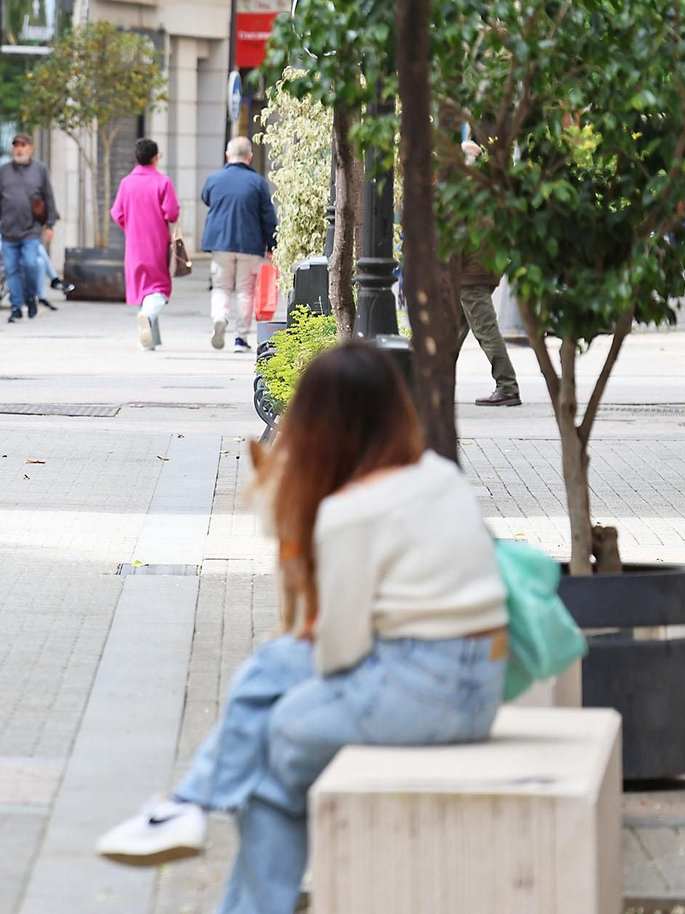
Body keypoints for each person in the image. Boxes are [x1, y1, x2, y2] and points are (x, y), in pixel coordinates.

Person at [96, 342, 509, 914]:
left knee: (278, 737)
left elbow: (341, 652)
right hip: (482, 676)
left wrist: (313, 644)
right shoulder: (439, 473)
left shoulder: (351, 511)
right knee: (274, 670)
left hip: (427, 690)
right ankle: (190, 804)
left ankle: (192, 805)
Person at [455, 139, 522, 406]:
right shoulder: (486, 188)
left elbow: (457, 238)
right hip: (479, 269)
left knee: (485, 329)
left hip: (471, 273)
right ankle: (428, 385)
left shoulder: (466, 191)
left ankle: (507, 386)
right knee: (451, 331)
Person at [200, 136, 278, 352]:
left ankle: (220, 317)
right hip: (249, 244)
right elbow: (268, 217)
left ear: (228, 155)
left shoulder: (214, 179)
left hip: (220, 243)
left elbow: (206, 198)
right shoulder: (258, 183)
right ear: (250, 157)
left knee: (221, 287)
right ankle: (241, 339)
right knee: (246, 291)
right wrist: (273, 245)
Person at [111, 138, 181, 350]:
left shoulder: (126, 183)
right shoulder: (163, 182)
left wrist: (130, 227)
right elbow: (172, 212)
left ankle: (150, 341)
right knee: (159, 288)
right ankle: (147, 316)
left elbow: (117, 213)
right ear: (155, 158)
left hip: (133, 243)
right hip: (157, 242)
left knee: (143, 289)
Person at [0, 133, 58, 323]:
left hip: (31, 229)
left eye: (23, 145)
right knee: (11, 270)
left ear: (31, 148)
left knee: (31, 263)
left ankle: (30, 296)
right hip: (8, 230)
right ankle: (16, 307)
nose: (19, 149)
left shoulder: (40, 170)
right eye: (16, 145)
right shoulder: (3, 171)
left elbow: (48, 197)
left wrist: (49, 224)